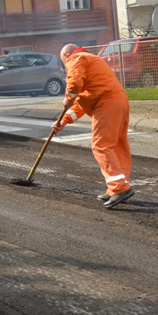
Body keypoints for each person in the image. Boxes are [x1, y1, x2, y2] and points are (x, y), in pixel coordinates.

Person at [51, 43, 135, 209]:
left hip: (107, 103)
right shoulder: (91, 61)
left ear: (66, 56)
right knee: (116, 146)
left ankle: (119, 188)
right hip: (118, 102)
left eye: (64, 62)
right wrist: (64, 121)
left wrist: (68, 96)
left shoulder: (76, 58)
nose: (66, 66)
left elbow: (74, 85)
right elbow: (83, 102)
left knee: (101, 146)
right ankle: (115, 188)